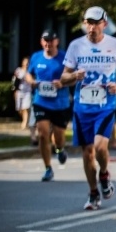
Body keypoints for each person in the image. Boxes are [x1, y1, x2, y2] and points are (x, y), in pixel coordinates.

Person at [60, 6, 116, 210]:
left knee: (101, 147)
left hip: (105, 105)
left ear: (104, 24)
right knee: (88, 153)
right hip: (82, 108)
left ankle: (104, 173)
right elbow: (63, 78)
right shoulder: (76, 46)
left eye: (96, 23)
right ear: (85, 24)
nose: (92, 27)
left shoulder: (115, 44)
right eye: (88, 23)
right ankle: (93, 193)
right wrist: (74, 76)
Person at [26, 30, 69, 181]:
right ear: (41, 42)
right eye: (45, 40)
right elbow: (28, 73)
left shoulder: (64, 57)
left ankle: (60, 149)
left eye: (51, 40)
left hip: (60, 103)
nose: (48, 43)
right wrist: (31, 81)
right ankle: (48, 168)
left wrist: (62, 82)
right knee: (43, 134)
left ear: (57, 42)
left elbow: (73, 75)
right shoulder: (36, 57)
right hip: (41, 101)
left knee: (59, 136)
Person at [13, 57, 32, 129]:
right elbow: (15, 81)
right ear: (22, 63)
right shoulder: (18, 70)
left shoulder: (30, 71)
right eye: (25, 62)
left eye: (28, 62)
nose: (26, 64)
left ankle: (24, 123)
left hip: (27, 92)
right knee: (20, 109)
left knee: (25, 108)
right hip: (19, 91)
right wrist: (15, 90)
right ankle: (25, 120)